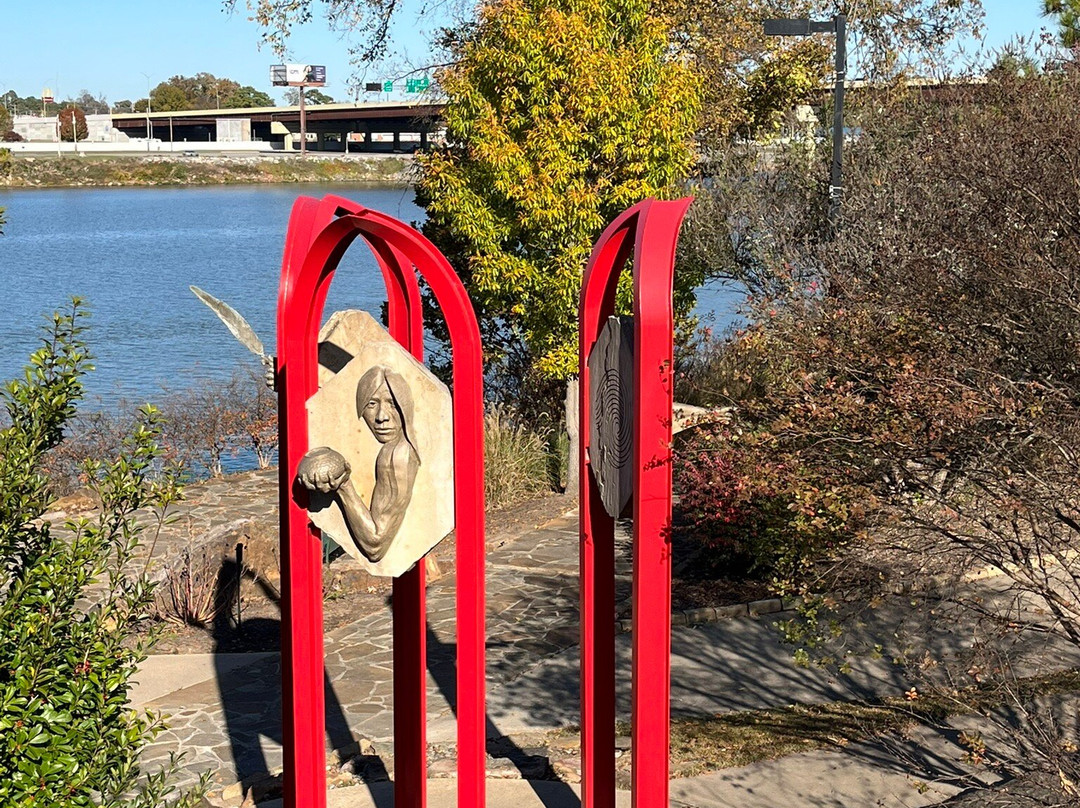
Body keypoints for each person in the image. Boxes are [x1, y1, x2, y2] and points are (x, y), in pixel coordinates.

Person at [297, 365, 420, 563]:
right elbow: (337, 390)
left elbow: (375, 544)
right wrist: (286, 381)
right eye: (371, 404)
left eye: (392, 403)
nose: (382, 417)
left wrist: (344, 487)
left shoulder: (397, 456)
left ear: (405, 406)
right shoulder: (392, 446)